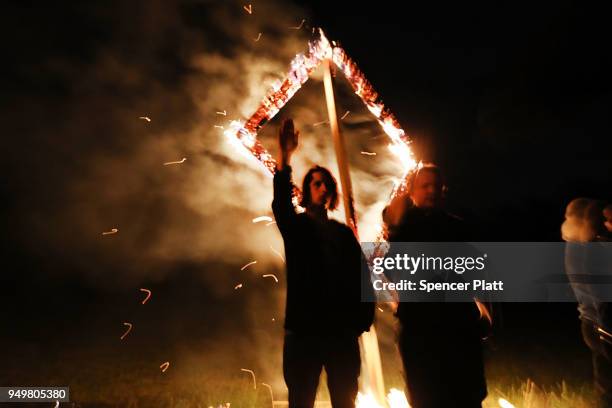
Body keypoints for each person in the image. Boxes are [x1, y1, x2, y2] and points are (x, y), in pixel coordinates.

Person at [272, 118, 375, 408]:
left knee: (345, 400)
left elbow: (362, 277)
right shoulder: (297, 227)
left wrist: (361, 321)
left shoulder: (343, 234)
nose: (322, 187)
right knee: (301, 399)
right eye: (316, 183)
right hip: (304, 332)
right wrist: (285, 156)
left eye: (326, 183)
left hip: (341, 334)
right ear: (307, 190)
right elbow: (280, 203)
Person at [382, 164, 488, 408]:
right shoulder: (404, 229)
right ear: (412, 192)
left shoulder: (457, 227)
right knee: (427, 396)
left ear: (444, 190)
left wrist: (482, 309)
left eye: (436, 186)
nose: (431, 191)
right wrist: (395, 230)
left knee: (465, 396)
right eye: (425, 186)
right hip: (421, 333)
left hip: (458, 330)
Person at [563, 198, 612, 407]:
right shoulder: (595, 251)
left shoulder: (574, 246)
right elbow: (601, 297)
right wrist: (607, 329)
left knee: (605, 382)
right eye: (603, 219)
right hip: (602, 324)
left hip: (590, 323)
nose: (606, 223)